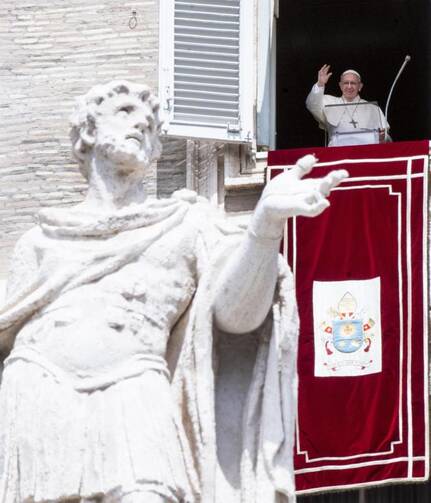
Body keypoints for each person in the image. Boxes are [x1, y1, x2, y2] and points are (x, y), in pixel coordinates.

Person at [0, 81, 347, 503]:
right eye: (125, 111)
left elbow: (239, 317)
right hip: (39, 386)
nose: (143, 122)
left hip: (135, 388)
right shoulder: (40, 239)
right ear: (89, 131)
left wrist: (264, 227)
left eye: (151, 124)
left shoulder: (184, 225)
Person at [306, 64, 389, 146]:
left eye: (353, 83)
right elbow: (312, 105)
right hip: (337, 153)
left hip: (366, 153)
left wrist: (382, 138)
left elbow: (387, 138)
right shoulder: (328, 102)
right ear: (340, 86)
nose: (349, 86)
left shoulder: (373, 108)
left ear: (360, 86)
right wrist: (320, 84)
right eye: (346, 83)